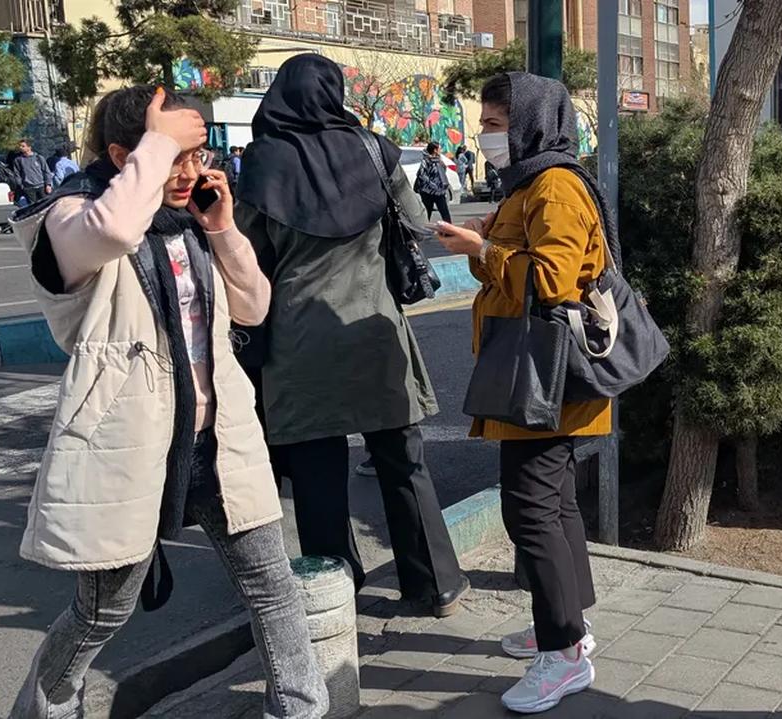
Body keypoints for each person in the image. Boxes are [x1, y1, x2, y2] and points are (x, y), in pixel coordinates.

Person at [7, 85, 327, 718]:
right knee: (103, 612)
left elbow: (254, 307)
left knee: (273, 586)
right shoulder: (68, 219)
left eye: (197, 155)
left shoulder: (191, 223)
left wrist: (224, 229)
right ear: (124, 156)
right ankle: (42, 711)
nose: (189, 172)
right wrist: (158, 146)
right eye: (175, 156)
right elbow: (114, 228)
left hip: (219, 436)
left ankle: (301, 709)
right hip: (133, 445)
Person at [235, 53, 469, 615]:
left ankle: (335, 593)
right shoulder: (374, 149)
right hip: (373, 328)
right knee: (402, 459)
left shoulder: (263, 162)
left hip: (298, 338)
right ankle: (435, 583)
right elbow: (417, 223)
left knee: (316, 474)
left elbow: (243, 254)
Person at [433, 72, 606, 714]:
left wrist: (484, 247)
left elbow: (552, 281)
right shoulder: (531, 183)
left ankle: (563, 656)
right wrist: (490, 242)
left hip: (545, 376)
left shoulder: (554, 186)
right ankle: (568, 628)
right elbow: (526, 263)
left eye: (496, 124)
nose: (486, 135)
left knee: (531, 510)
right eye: (484, 123)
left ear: (531, 123)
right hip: (539, 372)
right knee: (554, 504)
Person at [414, 141, 452, 223]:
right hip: (428, 192)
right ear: (435, 150)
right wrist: (432, 184)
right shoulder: (426, 161)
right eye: (439, 148)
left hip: (440, 192)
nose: (440, 150)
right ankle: (424, 229)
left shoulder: (439, 160)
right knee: (427, 213)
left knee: (445, 213)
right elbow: (421, 174)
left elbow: (442, 173)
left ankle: (450, 229)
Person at [12, 138, 53, 203]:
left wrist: (48, 184)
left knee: (45, 205)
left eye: (23, 146)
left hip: (41, 187)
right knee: (33, 206)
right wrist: (21, 185)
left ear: (29, 147)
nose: (20, 148)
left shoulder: (38, 158)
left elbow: (46, 171)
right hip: (29, 189)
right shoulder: (18, 160)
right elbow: (17, 174)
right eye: (20, 146)